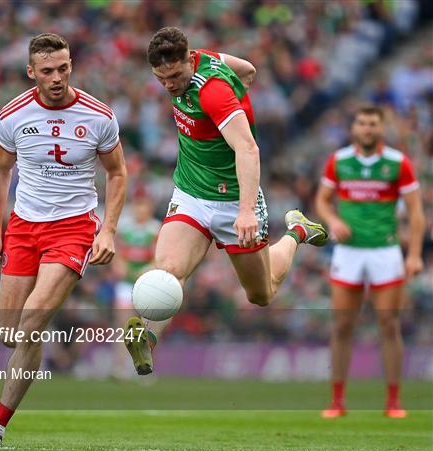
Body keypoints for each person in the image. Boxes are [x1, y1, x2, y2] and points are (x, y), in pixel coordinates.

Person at [124, 26, 328, 376]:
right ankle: (147, 337)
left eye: (174, 76)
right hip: (191, 194)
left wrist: (246, 210)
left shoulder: (214, 93)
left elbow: (248, 148)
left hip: (235, 203)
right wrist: (242, 85)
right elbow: (248, 69)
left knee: (261, 294)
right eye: (162, 79)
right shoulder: (207, 59)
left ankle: (296, 231)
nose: (169, 85)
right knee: (170, 272)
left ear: (189, 61)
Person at [0, 33, 127, 446]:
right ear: (32, 72)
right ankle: (42, 334)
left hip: (74, 227)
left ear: (71, 65)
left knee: (31, 321)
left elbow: (117, 173)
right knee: (11, 333)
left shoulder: (98, 115)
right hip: (24, 227)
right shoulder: (12, 115)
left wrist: (108, 229)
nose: (57, 77)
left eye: (63, 68)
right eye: (47, 71)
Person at [315, 105, 425, 419]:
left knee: (389, 324)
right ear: (353, 128)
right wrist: (333, 220)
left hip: (385, 251)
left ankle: (393, 401)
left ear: (381, 128)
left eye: (372, 124)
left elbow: (416, 213)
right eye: (362, 123)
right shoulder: (339, 161)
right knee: (342, 325)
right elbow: (322, 200)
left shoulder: (397, 163)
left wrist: (414, 254)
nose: (367, 129)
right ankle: (337, 400)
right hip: (348, 252)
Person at [111, 193, 160, 379]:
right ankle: (120, 367)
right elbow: (117, 253)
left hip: (147, 284)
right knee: (122, 325)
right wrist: (119, 266)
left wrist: (148, 268)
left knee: (148, 327)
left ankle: (147, 367)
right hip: (126, 284)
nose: (140, 210)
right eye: (137, 205)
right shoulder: (125, 228)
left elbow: (158, 257)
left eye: (144, 206)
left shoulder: (155, 229)